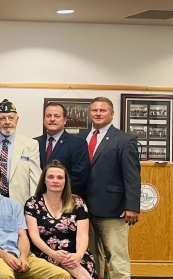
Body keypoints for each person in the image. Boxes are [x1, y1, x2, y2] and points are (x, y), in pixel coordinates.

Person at [0, 162, 70, 279]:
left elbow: (22, 236)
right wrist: (5, 256)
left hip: (21, 256)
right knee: (5, 276)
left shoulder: (14, 205)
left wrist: (24, 257)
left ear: (1, 182)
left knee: (62, 275)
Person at [77, 97, 140, 279]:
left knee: (116, 257)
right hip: (83, 209)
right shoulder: (80, 138)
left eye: (102, 110)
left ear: (111, 114)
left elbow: (132, 175)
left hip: (113, 209)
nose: (97, 113)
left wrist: (132, 206)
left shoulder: (124, 140)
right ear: (90, 114)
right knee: (90, 257)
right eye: (94, 110)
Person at [24, 160, 97, 279]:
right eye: (51, 177)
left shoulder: (77, 203)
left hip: (75, 253)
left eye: (60, 178)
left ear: (65, 182)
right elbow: (34, 236)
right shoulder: (33, 203)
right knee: (62, 264)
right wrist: (53, 254)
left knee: (72, 262)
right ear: (44, 180)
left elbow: (82, 236)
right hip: (45, 253)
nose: (55, 181)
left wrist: (78, 255)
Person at [0, 99, 41, 206]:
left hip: (19, 203)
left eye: (11, 118)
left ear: (17, 120)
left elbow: (35, 179)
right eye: (2, 118)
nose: (7, 122)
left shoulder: (30, 144)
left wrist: (34, 206)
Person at [34, 102, 90, 197]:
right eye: (48, 116)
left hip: (66, 199)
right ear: (44, 119)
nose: (52, 119)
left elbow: (79, 175)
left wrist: (55, 193)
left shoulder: (78, 144)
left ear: (64, 120)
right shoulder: (34, 143)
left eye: (57, 116)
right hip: (39, 198)